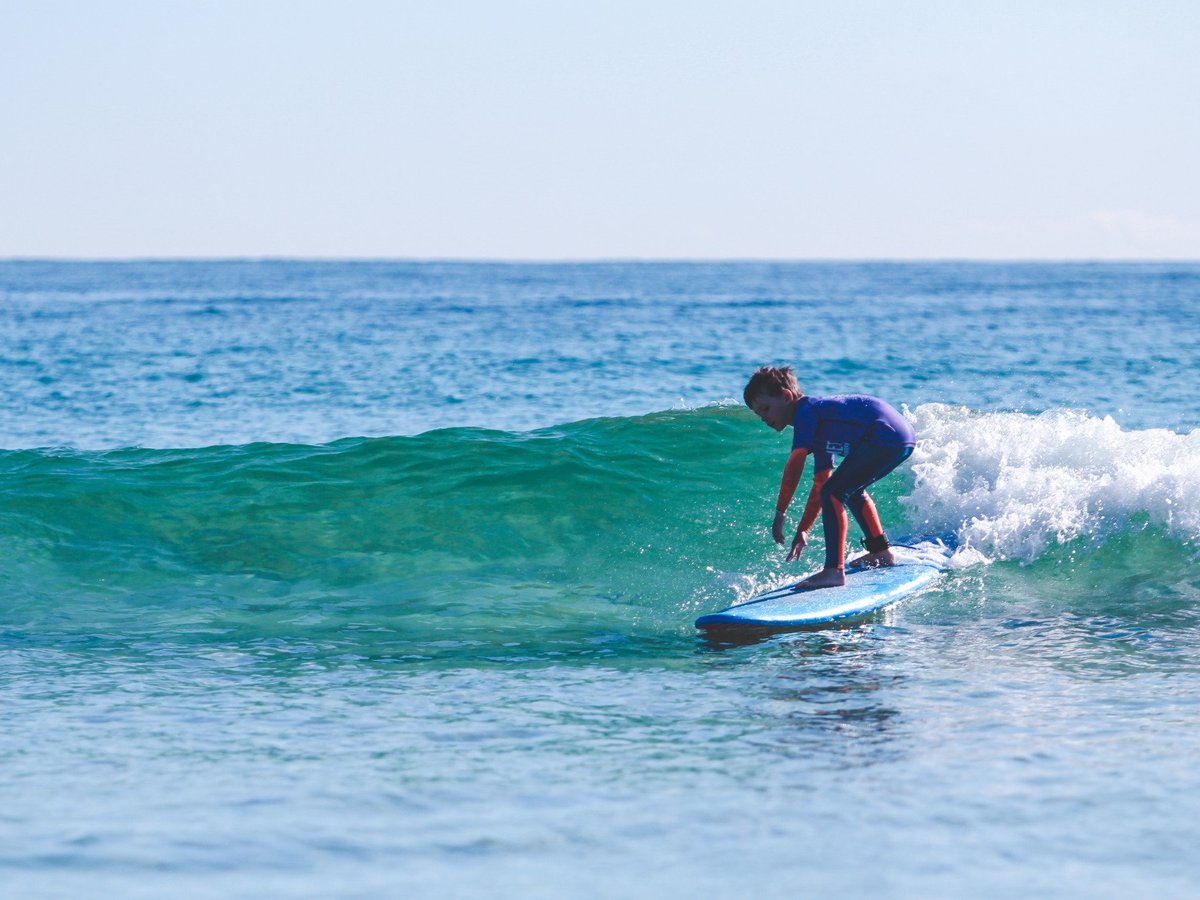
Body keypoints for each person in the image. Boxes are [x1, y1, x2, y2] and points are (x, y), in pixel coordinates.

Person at [743, 365, 917, 590]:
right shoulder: (821, 424)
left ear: (786, 396)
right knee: (847, 490)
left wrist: (780, 513)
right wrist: (803, 530)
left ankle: (834, 571)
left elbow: (795, 462)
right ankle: (881, 552)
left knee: (836, 492)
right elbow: (821, 484)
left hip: (884, 433)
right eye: (759, 414)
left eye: (765, 409)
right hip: (900, 437)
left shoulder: (807, 411)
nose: (763, 418)